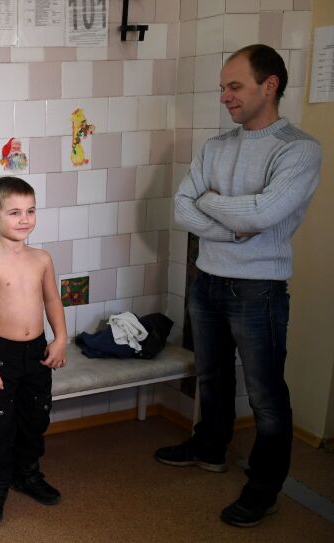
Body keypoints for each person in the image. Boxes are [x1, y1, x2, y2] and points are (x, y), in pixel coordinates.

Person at [159, 44, 321, 528]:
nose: (225, 96)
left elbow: (267, 214)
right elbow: (182, 207)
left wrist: (212, 204)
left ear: (269, 86)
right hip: (207, 277)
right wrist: (231, 222)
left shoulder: (298, 149)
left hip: (259, 289)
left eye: (235, 86)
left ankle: (264, 487)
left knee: (266, 395)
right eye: (222, 87)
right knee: (211, 377)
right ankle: (210, 447)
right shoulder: (215, 146)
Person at [0, 177, 67, 524]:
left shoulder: (41, 258)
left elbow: (52, 299)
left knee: (36, 416)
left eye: (30, 211)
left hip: (37, 352)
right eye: (14, 212)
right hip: (1, 355)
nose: (24, 219)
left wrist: (60, 338)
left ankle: (27, 473)